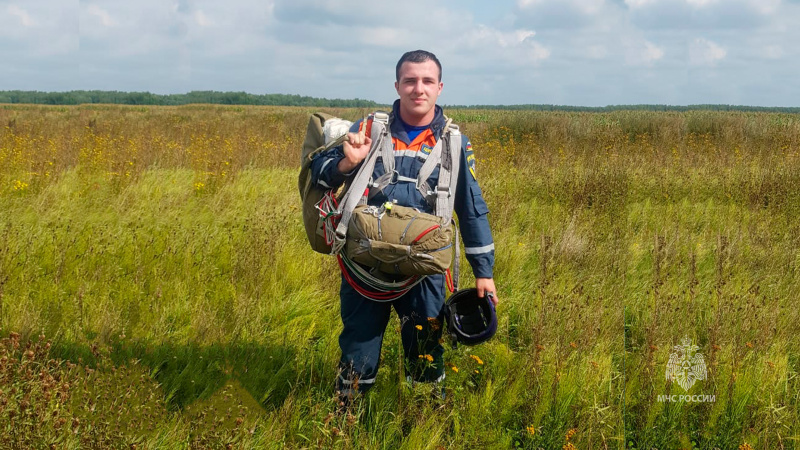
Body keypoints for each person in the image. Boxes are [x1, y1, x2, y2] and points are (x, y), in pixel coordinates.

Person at [310, 50, 497, 401]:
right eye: (410, 81)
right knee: (358, 348)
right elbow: (318, 174)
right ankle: (345, 423)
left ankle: (424, 418)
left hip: (424, 274)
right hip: (365, 268)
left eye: (427, 81)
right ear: (397, 85)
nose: (418, 89)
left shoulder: (455, 143)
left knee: (426, 349)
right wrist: (346, 164)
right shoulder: (369, 129)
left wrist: (483, 273)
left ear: (440, 87)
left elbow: (471, 209)